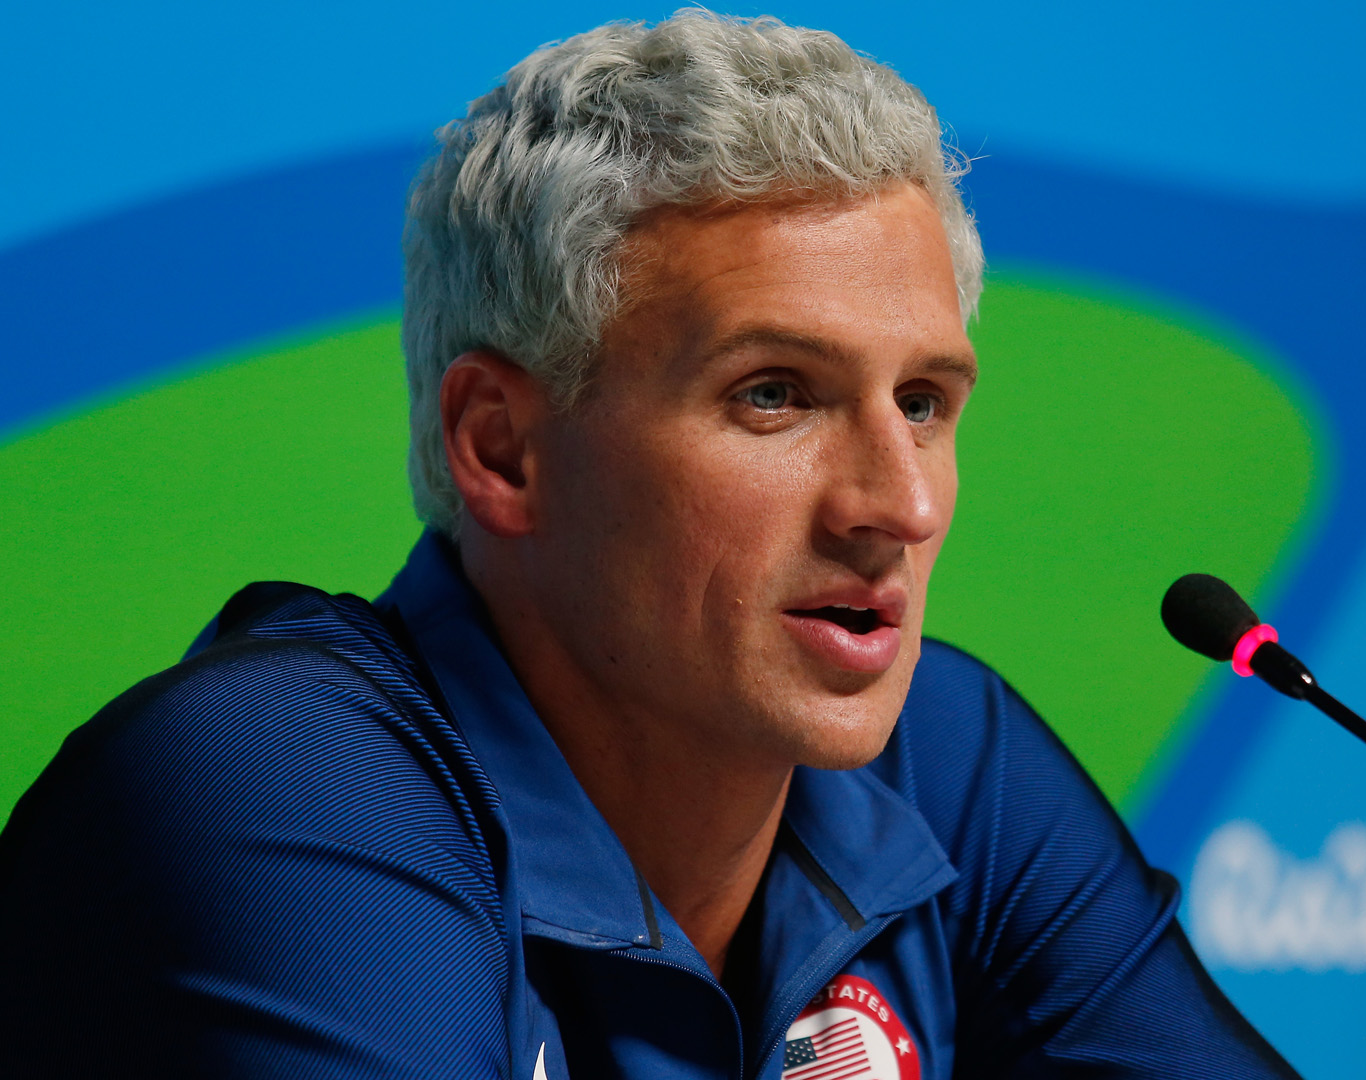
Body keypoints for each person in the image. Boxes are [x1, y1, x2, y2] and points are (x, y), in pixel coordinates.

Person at [0, 13, 1299, 1079]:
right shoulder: (281, 780)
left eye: (923, 403)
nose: (897, 503)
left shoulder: (945, 764)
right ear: (501, 447)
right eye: (775, 394)